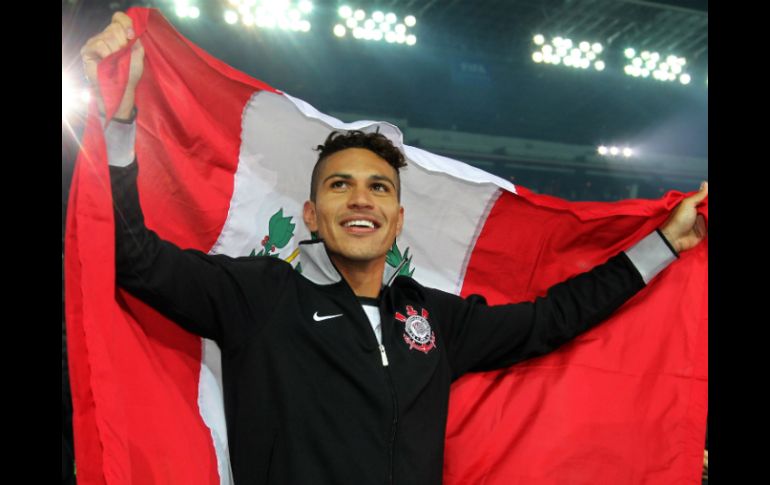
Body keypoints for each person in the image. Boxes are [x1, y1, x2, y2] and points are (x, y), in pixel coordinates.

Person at [81, 12, 709, 485]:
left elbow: (554, 318)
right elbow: (136, 257)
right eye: (340, 186)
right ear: (311, 214)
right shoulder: (258, 294)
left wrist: (663, 245)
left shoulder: (434, 319)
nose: (361, 200)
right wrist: (119, 118)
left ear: (397, 217)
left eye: (378, 187)